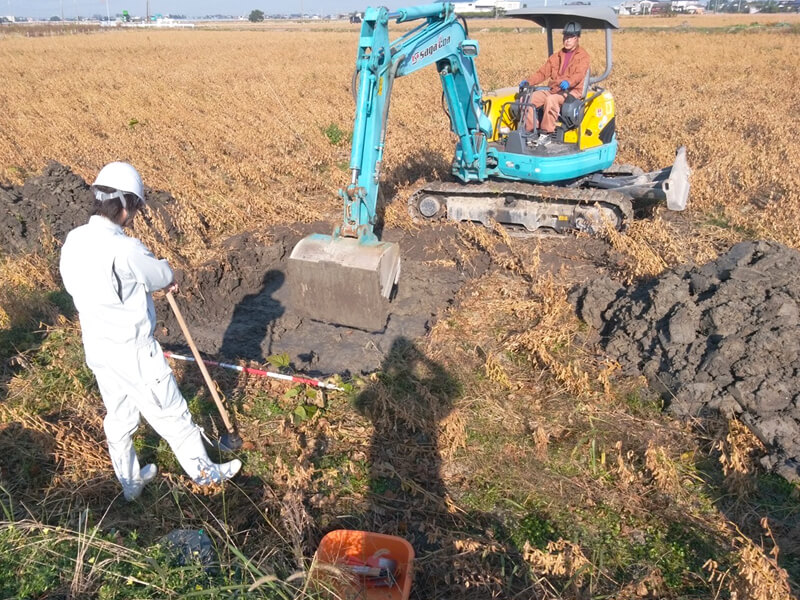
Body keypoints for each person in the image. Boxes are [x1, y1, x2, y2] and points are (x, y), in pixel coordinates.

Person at [60, 162, 241, 502]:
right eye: (136, 207)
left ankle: (130, 482)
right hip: (134, 351)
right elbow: (159, 275)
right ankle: (205, 474)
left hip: (98, 348)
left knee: (119, 416)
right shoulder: (125, 249)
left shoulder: (74, 240)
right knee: (171, 411)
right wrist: (166, 277)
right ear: (126, 205)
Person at [519, 21, 590, 145]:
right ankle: (531, 131)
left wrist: (568, 82)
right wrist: (528, 82)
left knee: (551, 100)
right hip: (555, 89)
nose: (567, 40)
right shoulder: (556, 56)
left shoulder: (583, 56)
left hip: (571, 92)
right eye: (565, 37)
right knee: (527, 99)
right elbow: (542, 73)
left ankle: (546, 134)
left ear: (577, 38)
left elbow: (579, 74)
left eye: (571, 37)